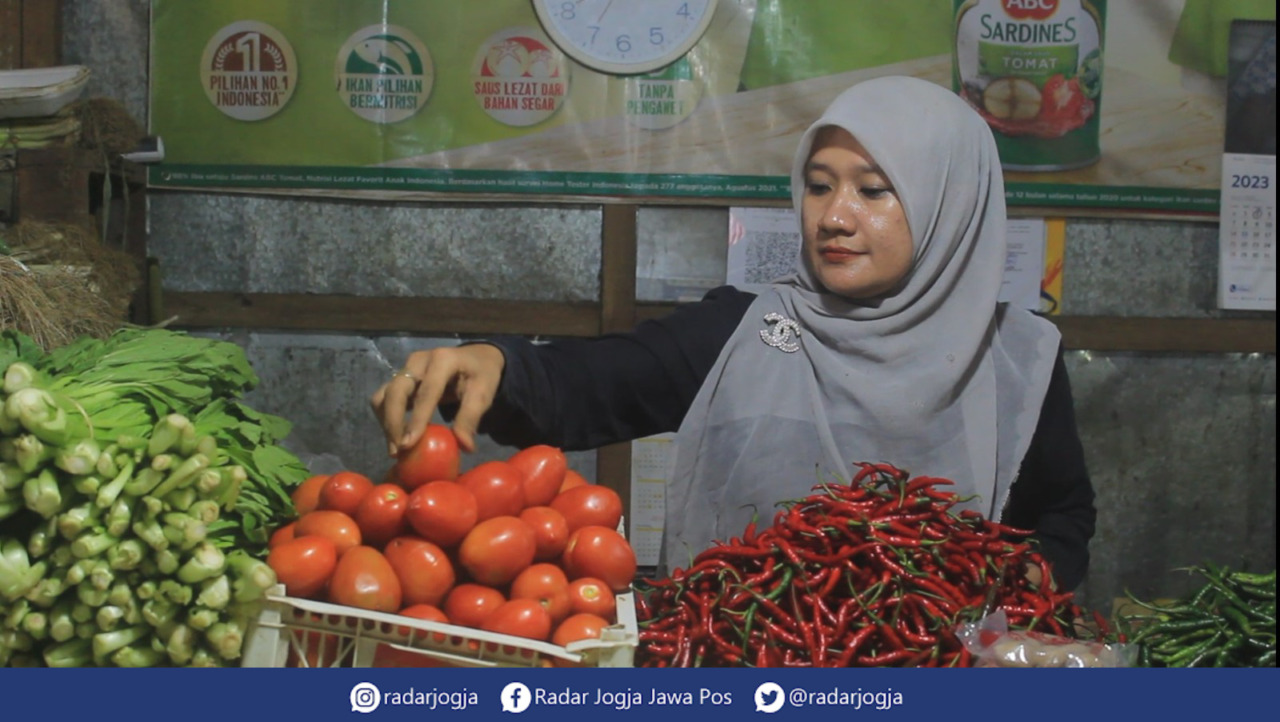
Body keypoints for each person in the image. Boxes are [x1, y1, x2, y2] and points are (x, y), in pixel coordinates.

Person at [370, 76, 1096, 591]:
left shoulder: (1019, 359)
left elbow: (1063, 513)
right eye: (818, 185)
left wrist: (1034, 575)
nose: (835, 217)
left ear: (952, 203)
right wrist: (495, 364)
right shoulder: (746, 329)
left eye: (873, 190)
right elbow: (586, 387)